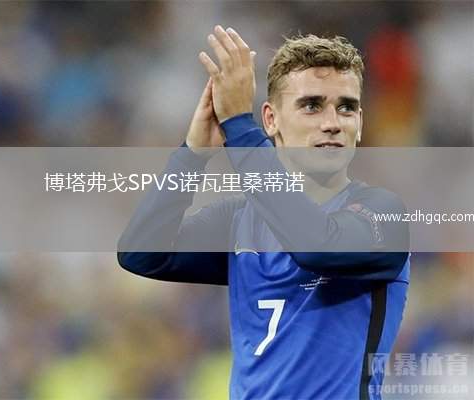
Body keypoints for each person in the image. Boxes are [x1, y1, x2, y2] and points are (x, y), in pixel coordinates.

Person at [118, 26, 410, 400]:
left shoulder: (382, 213)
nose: (332, 123)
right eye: (311, 105)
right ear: (271, 120)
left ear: (360, 124)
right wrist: (193, 154)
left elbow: (317, 246)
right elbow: (142, 253)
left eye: (346, 107)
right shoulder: (240, 221)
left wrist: (240, 127)